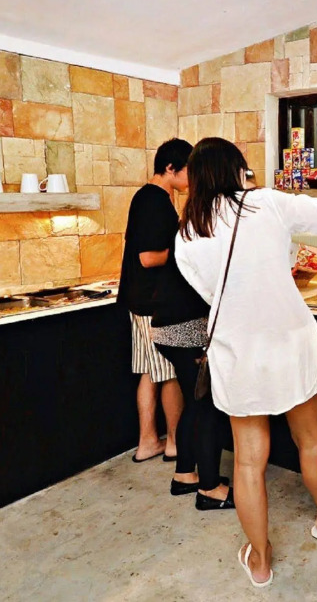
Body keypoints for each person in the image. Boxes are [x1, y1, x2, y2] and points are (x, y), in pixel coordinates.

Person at [174, 138, 317, 588]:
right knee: (310, 440)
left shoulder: (187, 233)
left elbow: (210, 292)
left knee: (248, 463)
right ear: (239, 171)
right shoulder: (267, 203)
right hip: (289, 344)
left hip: (239, 353)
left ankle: (259, 559)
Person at [150, 213, 234, 509]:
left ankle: (185, 475)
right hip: (187, 328)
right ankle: (210, 489)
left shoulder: (191, 224)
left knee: (194, 404)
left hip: (165, 326)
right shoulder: (210, 230)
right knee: (206, 406)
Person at [117, 139, 190, 463]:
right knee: (169, 372)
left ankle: (148, 441)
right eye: (189, 171)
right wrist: (186, 252)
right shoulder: (155, 201)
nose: (192, 178)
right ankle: (174, 442)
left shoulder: (148, 198)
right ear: (171, 168)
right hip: (153, 303)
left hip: (139, 300)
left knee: (149, 371)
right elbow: (148, 257)